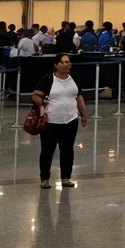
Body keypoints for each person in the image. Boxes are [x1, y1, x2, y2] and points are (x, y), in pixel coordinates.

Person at [33, 53, 87, 188]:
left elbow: (78, 97)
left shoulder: (74, 79)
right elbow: (36, 95)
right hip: (51, 121)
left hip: (70, 120)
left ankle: (66, 178)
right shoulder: (48, 79)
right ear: (56, 65)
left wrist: (83, 114)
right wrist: (41, 106)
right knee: (47, 150)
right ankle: (44, 179)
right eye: (62, 62)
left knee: (67, 150)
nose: (66, 64)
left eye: (68, 62)